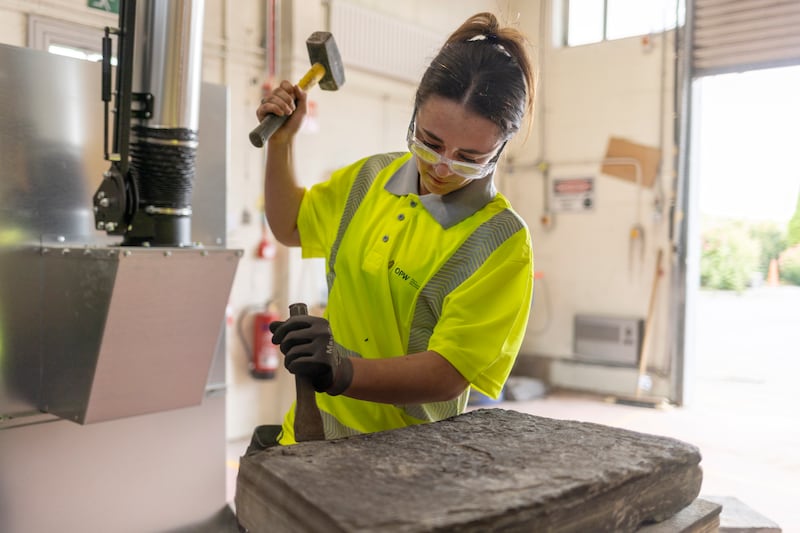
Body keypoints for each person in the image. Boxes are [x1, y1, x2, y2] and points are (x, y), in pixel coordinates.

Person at [256, 12, 535, 446]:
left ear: (501, 148)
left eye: (470, 156)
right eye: (431, 141)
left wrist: (342, 370)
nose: (443, 166)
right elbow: (289, 226)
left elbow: (447, 374)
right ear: (414, 114)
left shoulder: (500, 242)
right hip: (310, 439)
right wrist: (281, 143)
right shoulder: (369, 179)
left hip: (408, 460)